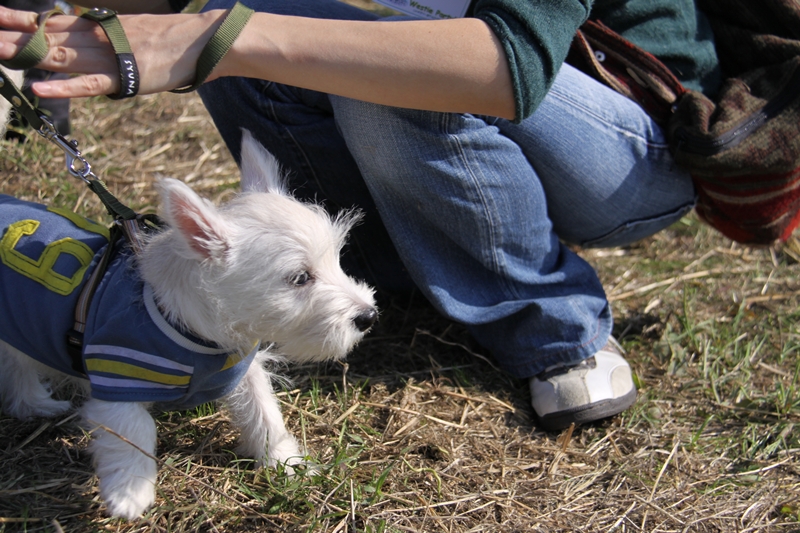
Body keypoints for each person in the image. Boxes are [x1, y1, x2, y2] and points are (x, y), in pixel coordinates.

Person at [0, 0, 721, 431]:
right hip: (496, 105)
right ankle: (392, 265)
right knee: (251, 30)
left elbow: (508, 60)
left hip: (639, 139)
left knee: (390, 68)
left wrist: (218, 34)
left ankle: (555, 327)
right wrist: (56, 33)